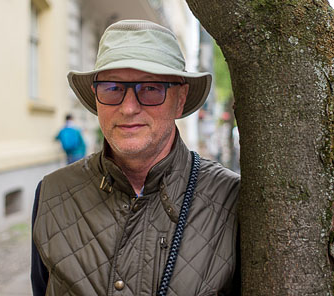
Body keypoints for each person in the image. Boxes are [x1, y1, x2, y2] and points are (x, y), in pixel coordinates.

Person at [31, 19, 240, 295]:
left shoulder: (230, 199)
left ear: (180, 98)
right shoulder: (53, 194)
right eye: (112, 88)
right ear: (95, 97)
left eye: (151, 88)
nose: (129, 108)